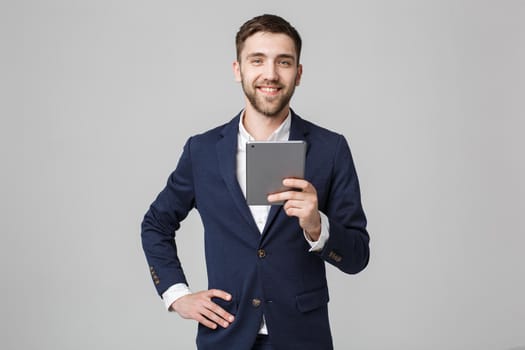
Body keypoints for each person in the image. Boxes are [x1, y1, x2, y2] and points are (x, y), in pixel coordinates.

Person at [141, 14, 370, 350]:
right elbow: (155, 224)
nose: (271, 74)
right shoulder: (202, 151)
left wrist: (316, 226)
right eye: (257, 60)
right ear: (238, 70)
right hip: (226, 336)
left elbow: (358, 257)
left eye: (284, 62)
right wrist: (177, 295)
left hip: (303, 339)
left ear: (299, 73)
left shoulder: (330, 149)